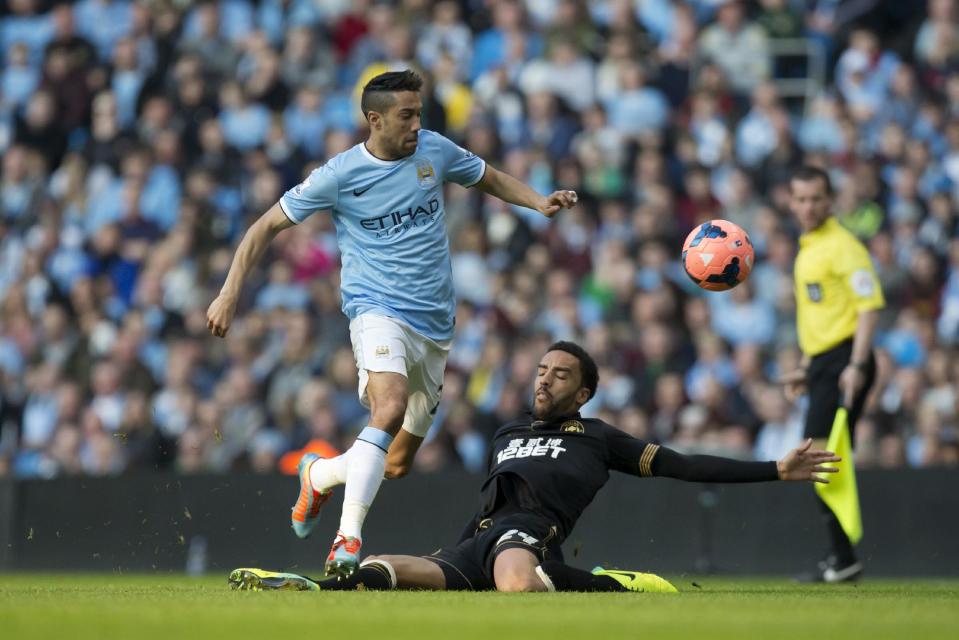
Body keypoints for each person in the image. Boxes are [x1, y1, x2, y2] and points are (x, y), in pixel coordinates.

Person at [205, 69, 578, 578]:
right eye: (406, 115)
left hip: (435, 325)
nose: (416, 124)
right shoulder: (338, 175)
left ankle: (319, 475)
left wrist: (537, 201)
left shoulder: (434, 150)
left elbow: (486, 175)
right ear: (374, 119)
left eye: (419, 114)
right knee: (388, 406)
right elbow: (264, 226)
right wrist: (229, 292)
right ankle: (347, 540)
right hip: (376, 310)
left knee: (397, 462)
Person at [228, 341, 841, 593]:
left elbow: (684, 465)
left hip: (531, 532)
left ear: (583, 393)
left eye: (561, 375)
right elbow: (488, 497)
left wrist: (773, 469)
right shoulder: (507, 431)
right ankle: (320, 588)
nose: (545, 380)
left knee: (517, 582)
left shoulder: (599, 439)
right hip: (481, 538)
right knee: (385, 568)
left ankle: (612, 586)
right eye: (542, 370)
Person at [779, 166, 884, 583]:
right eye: (800, 199)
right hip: (824, 362)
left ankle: (843, 559)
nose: (808, 207)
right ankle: (841, 557)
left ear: (830, 200)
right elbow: (819, 316)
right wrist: (807, 368)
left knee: (819, 458)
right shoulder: (809, 248)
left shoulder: (844, 247)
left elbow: (868, 307)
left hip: (845, 360)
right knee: (821, 459)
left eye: (815, 199)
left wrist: (856, 365)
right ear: (791, 202)